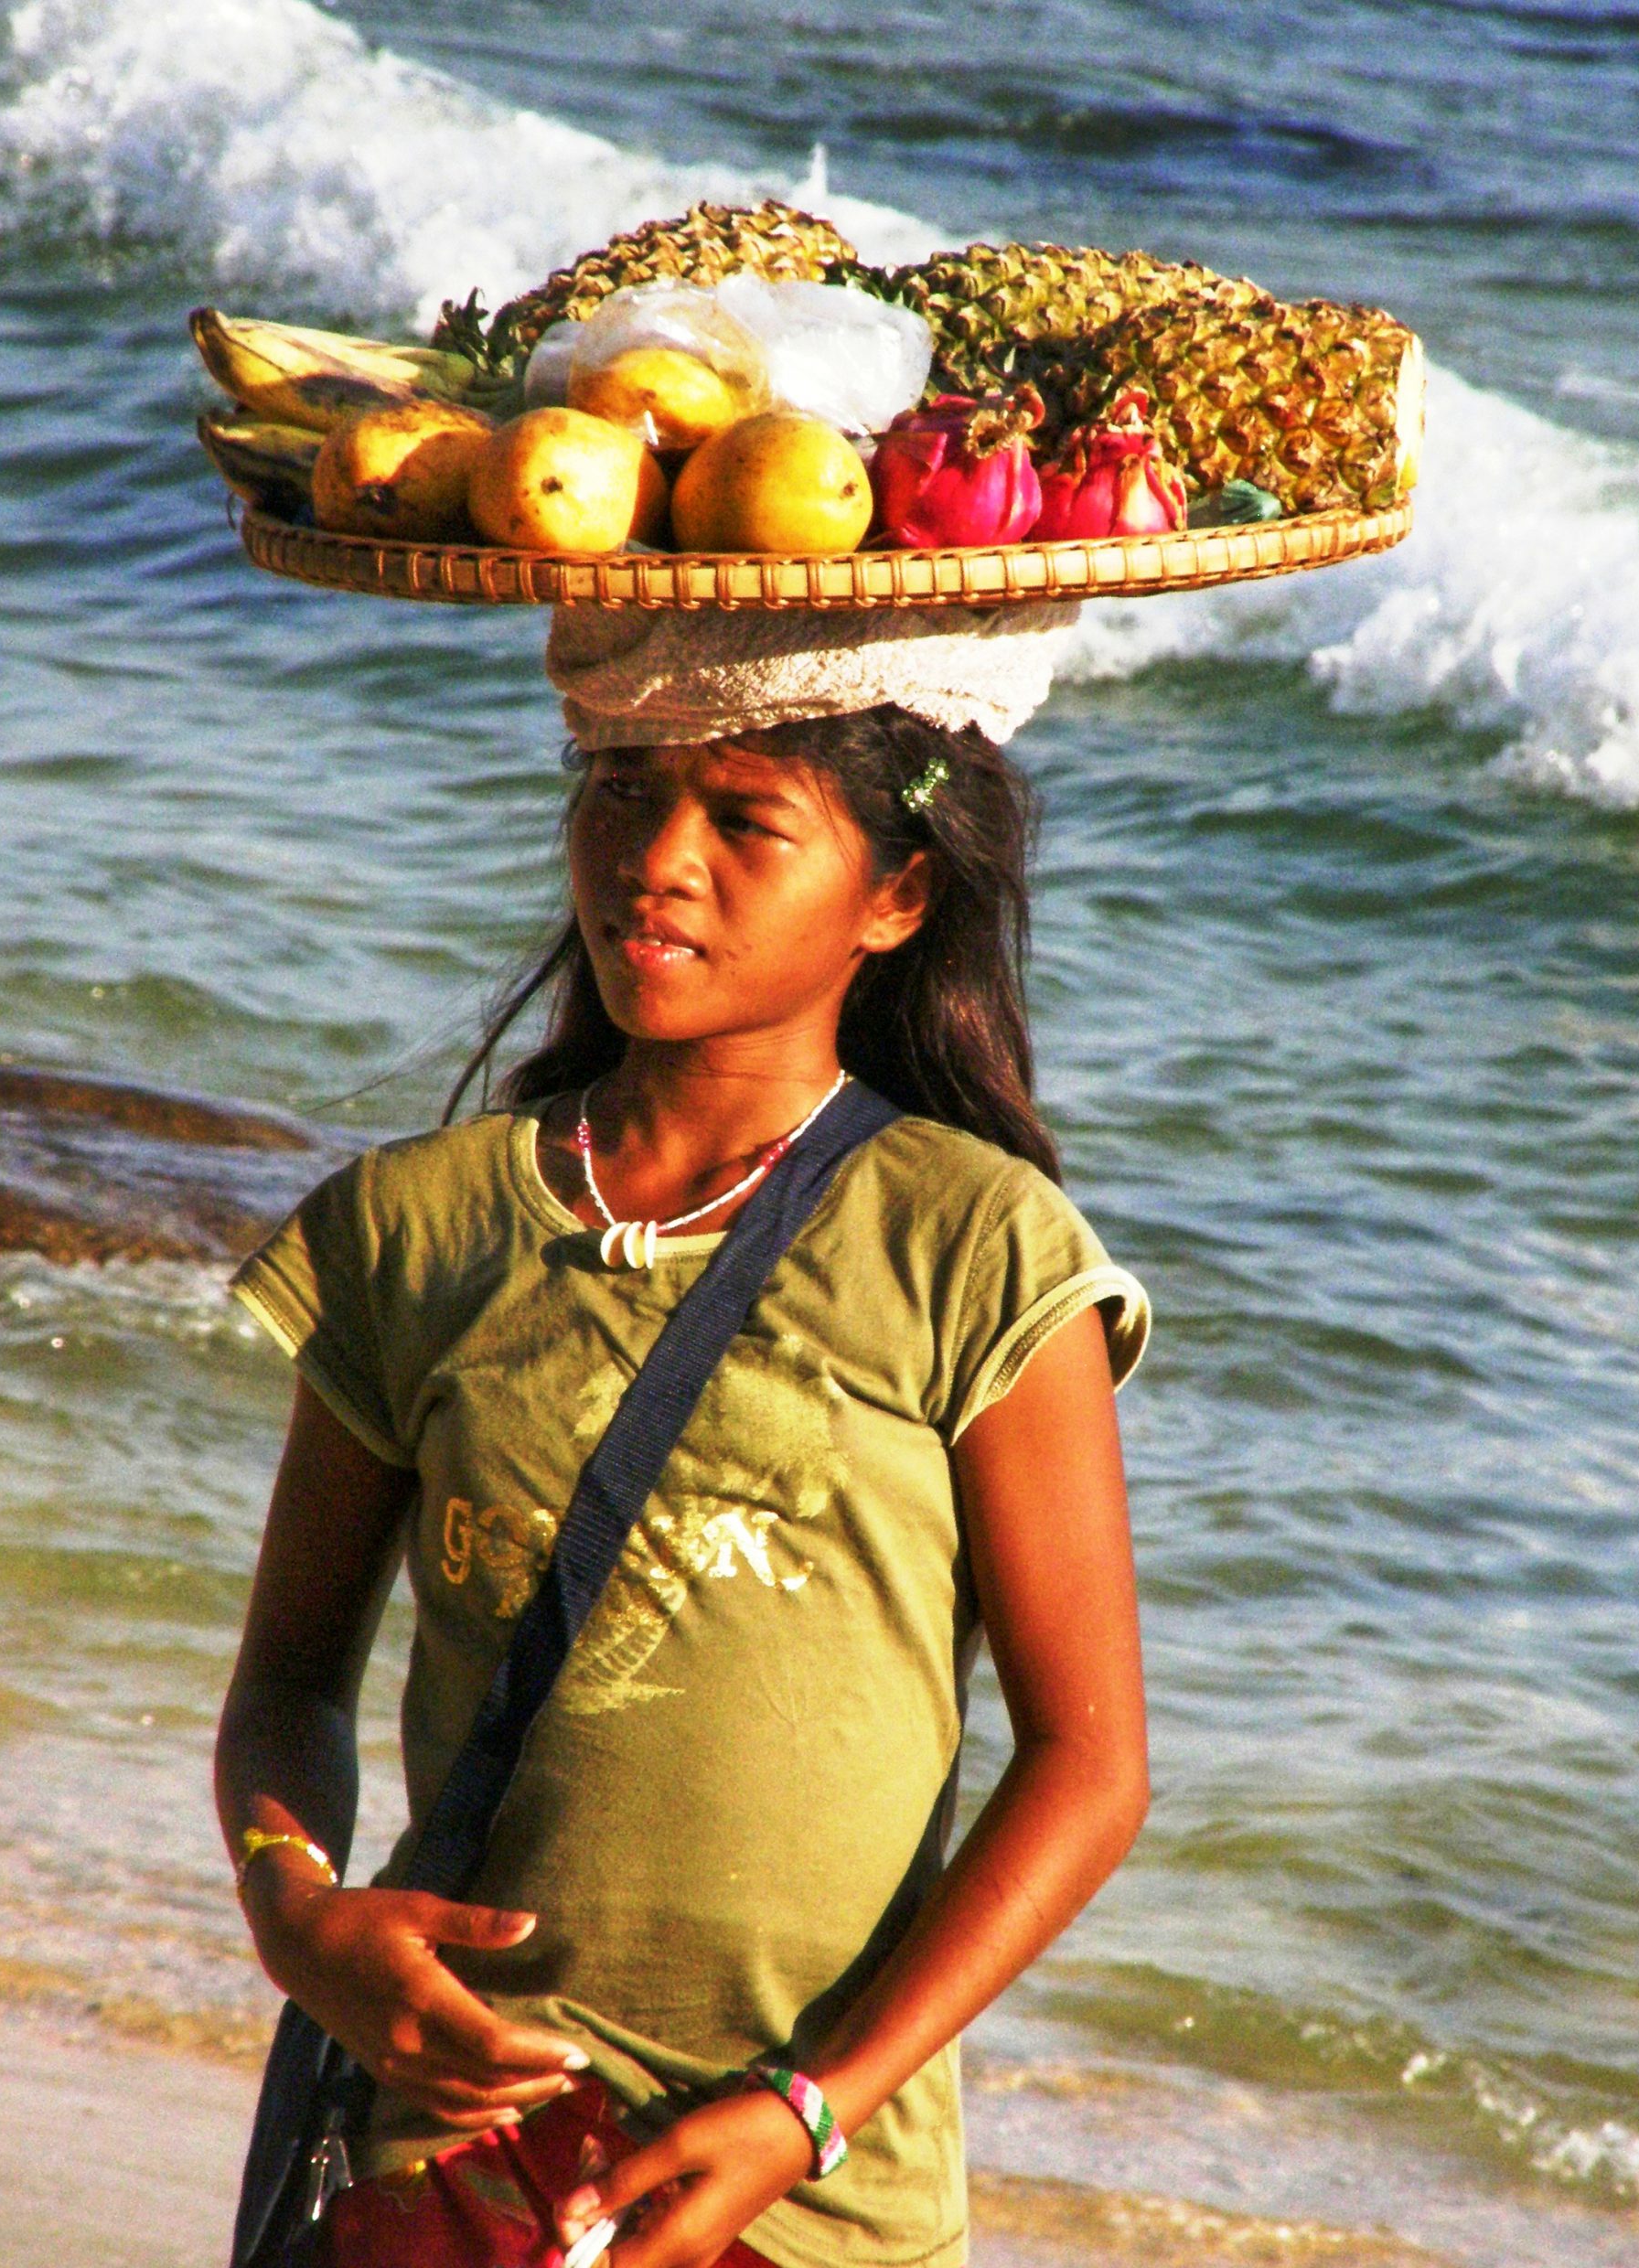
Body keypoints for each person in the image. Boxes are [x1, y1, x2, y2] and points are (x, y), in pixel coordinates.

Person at [215, 603, 1152, 2268]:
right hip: (443, 2149)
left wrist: (815, 2105)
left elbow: (1089, 1769)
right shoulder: (412, 1229)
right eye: (618, 790)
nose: (656, 858)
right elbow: (290, 1680)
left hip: (807, 2195)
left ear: (896, 895)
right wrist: (301, 1915)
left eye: (744, 819)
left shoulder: (974, 1245)